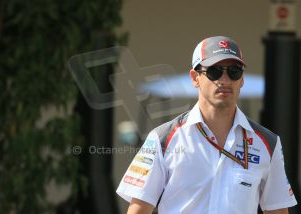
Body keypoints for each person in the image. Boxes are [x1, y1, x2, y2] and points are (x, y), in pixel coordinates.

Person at [116, 36, 298, 214]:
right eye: (214, 71)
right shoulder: (162, 137)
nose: (225, 80)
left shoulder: (268, 142)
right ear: (195, 77)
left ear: (241, 79)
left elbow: (278, 210)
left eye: (234, 71)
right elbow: (139, 209)